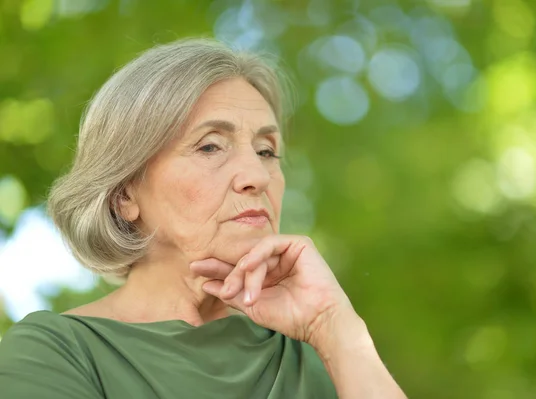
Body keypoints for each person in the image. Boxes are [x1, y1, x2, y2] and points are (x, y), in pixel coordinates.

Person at [0, 38, 407, 399]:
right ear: (125, 195)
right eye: (211, 147)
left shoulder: (324, 349)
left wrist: (336, 327)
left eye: (266, 151)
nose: (257, 177)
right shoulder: (55, 352)